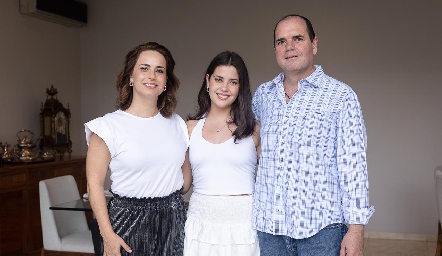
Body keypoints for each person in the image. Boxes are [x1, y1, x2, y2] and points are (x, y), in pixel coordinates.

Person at [252, 14, 375, 256]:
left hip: (321, 234)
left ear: (314, 44)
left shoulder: (340, 96)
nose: (289, 47)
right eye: (281, 41)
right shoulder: (262, 96)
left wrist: (356, 230)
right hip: (269, 231)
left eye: (298, 38)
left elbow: (354, 168)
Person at [85, 42, 188, 256]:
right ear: (130, 77)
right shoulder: (106, 127)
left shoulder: (178, 124)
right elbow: (94, 185)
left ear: (166, 82)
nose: (152, 75)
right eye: (144, 68)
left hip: (174, 220)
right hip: (128, 221)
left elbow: (185, 181)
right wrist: (107, 235)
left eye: (159, 70)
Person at [182, 51, 261, 255]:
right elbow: (183, 185)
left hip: (243, 227)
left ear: (240, 87)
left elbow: (271, 181)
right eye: (219, 79)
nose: (224, 88)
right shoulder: (189, 128)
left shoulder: (254, 129)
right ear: (208, 80)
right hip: (201, 224)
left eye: (233, 82)